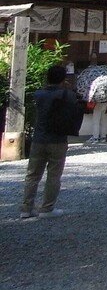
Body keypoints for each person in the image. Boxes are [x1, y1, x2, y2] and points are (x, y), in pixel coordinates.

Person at [20, 64, 84, 219]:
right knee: (54, 174)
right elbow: (77, 104)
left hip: (39, 138)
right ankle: (47, 207)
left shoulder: (39, 94)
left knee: (33, 174)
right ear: (63, 78)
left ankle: (26, 208)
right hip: (58, 138)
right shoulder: (67, 95)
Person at [83, 69, 107, 144]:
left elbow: (91, 94)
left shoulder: (96, 82)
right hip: (105, 103)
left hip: (97, 103)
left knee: (96, 121)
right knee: (103, 120)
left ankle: (95, 138)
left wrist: (89, 99)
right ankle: (103, 137)